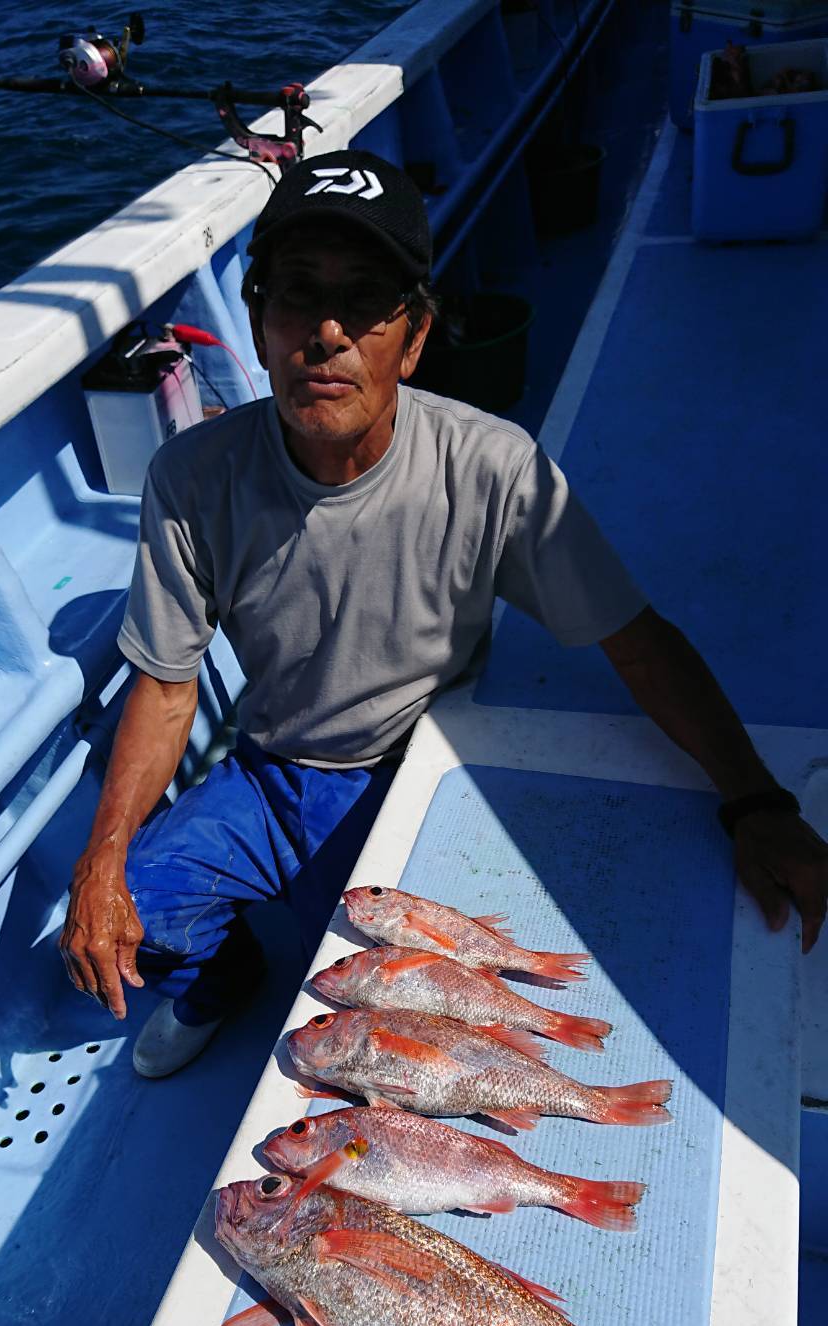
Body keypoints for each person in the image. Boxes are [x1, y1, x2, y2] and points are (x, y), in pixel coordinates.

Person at [60, 147, 828, 1076]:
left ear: (415, 338)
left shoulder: (494, 468)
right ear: (259, 323)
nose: (328, 333)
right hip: (265, 771)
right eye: (298, 295)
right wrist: (103, 856)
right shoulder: (190, 476)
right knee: (135, 911)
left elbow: (637, 642)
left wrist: (754, 800)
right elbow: (167, 686)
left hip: (413, 767)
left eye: (366, 302)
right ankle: (225, 978)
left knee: (407, 1018)